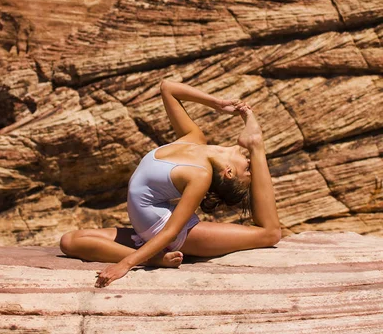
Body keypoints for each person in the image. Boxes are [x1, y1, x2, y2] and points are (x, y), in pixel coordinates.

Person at [60, 80, 281, 287]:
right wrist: (217, 104)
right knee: (69, 241)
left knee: (269, 233)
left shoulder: (200, 175)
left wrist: (125, 264)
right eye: (251, 165)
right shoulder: (194, 139)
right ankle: (154, 257)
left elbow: (171, 232)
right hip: (148, 231)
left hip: (173, 235)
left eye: (248, 169)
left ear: (229, 173)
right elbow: (168, 88)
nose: (249, 162)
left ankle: (256, 143)